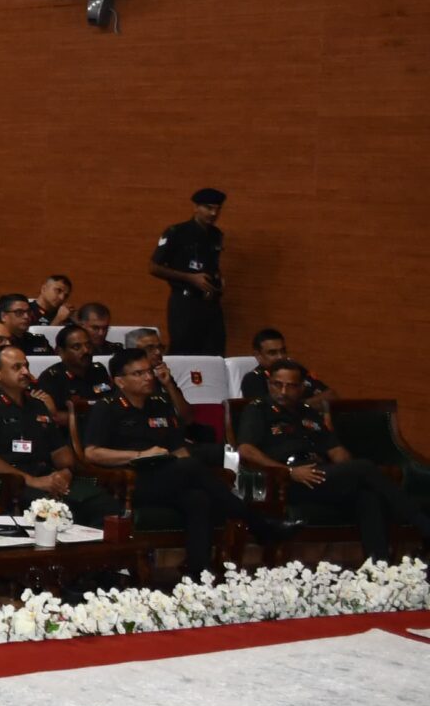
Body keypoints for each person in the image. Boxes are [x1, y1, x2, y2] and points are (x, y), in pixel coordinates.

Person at [82, 346, 278, 577]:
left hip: (168, 476)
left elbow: (179, 449)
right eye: (138, 373)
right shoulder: (107, 408)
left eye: (148, 371)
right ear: (120, 381)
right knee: (193, 466)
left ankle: (197, 570)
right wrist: (139, 456)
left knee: (199, 498)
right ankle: (257, 523)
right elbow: (92, 453)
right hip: (130, 481)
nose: (148, 377)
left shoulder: (160, 403)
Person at [237, 361, 423, 563]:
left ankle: (378, 570)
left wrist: (346, 472)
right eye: (276, 384)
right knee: (365, 468)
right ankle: (424, 526)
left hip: (320, 474)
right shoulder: (257, 410)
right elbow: (245, 449)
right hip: (286, 481)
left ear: (301, 388)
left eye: (290, 386)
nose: (282, 391)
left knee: (367, 494)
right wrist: (289, 472)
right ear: (268, 383)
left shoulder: (308, 412)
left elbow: (337, 451)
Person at [0, 344, 104, 518]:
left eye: (26, 366)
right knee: (55, 510)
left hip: (47, 475)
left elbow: (60, 450)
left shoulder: (38, 405)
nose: (25, 372)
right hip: (12, 482)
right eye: (17, 367)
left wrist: (65, 472)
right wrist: (31, 481)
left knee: (102, 503)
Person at [149, 188, 228, 354]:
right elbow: (154, 267)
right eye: (208, 208)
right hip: (185, 302)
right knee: (183, 350)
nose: (213, 213)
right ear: (196, 208)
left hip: (210, 303)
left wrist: (219, 278)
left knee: (215, 351)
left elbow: (211, 264)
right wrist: (190, 278)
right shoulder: (177, 232)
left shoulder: (216, 235)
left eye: (217, 209)